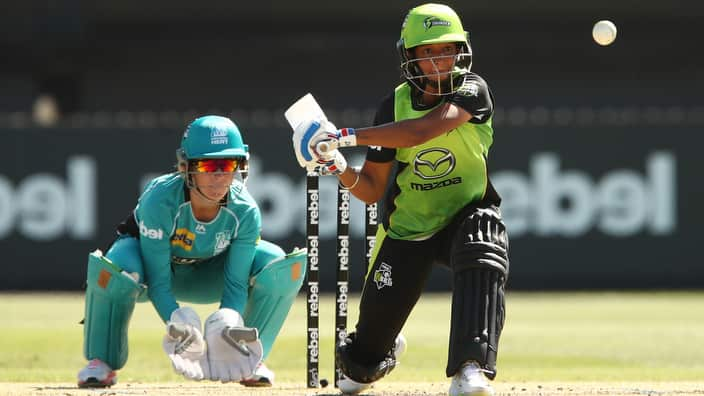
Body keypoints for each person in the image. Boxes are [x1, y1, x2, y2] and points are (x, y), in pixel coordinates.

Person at [292, 4, 509, 396]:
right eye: (429, 52)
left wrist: (345, 136)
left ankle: (470, 368)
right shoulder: (393, 105)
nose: (441, 60)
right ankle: (380, 351)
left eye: (448, 50)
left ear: (461, 51)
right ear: (410, 56)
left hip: (465, 214)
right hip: (409, 230)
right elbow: (372, 188)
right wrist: (337, 164)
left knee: (484, 239)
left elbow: (423, 131)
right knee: (356, 373)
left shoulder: (472, 89)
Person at [78, 115, 306, 388]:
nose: (219, 176)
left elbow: (235, 284)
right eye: (208, 164)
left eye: (228, 164)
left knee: (278, 264)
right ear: (186, 167)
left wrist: (227, 325)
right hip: (155, 277)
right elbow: (159, 281)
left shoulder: (245, 210)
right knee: (116, 266)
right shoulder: (160, 200)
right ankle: (101, 361)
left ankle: (249, 359)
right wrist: (179, 324)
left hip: (212, 277)